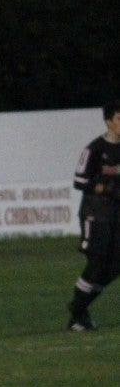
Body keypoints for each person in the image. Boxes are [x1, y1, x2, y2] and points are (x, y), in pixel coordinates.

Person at [67, 100, 120, 332]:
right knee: (98, 262)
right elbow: (79, 181)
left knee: (115, 265)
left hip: (116, 215)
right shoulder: (95, 148)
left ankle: (78, 308)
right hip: (95, 214)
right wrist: (105, 188)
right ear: (109, 121)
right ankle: (78, 313)